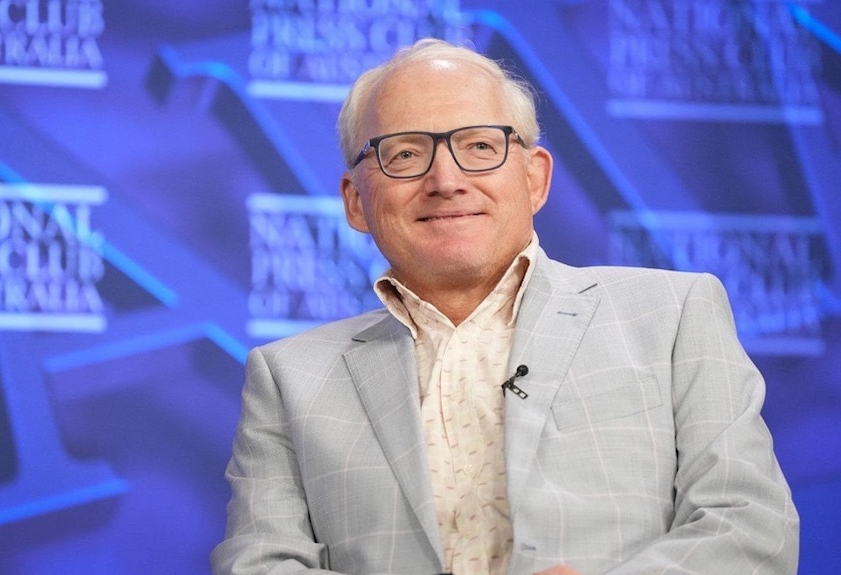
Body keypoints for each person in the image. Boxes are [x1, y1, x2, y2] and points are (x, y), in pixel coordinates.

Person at [211, 39, 799, 575]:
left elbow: (751, 528)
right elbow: (259, 565)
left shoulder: (671, 313)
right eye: (405, 153)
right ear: (356, 201)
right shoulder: (289, 378)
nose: (446, 179)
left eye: (479, 146)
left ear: (535, 178)